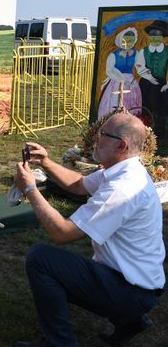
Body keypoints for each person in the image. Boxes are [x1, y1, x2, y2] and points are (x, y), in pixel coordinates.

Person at [13, 113, 165, 347]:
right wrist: (45, 162)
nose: (96, 138)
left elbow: (62, 233)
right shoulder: (125, 169)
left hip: (132, 290)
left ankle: (61, 344)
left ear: (121, 145)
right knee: (65, 268)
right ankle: (130, 319)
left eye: (102, 134)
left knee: (41, 259)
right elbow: (79, 185)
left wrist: (31, 189)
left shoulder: (122, 188)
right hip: (138, 284)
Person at [97, 27, 145, 117]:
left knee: (131, 103)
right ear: (120, 40)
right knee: (116, 102)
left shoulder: (136, 53)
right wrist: (120, 79)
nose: (128, 43)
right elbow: (109, 70)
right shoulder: (113, 55)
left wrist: (144, 71)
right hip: (117, 81)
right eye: (126, 40)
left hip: (131, 83)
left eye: (131, 41)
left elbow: (140, 67)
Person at [135, 20, 168, 139]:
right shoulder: (143, 51)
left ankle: (159, 132)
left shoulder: (167, 51)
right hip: (146, 83)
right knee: (146, 106)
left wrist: (167, 84)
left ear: (162, 37)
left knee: (161, 107)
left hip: (161, 84)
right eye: (153, 34)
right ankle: (144, 131)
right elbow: (139, 66)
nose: (155, 37)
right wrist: (149, 77)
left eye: (157, 35)